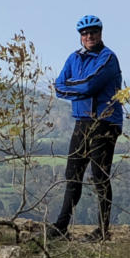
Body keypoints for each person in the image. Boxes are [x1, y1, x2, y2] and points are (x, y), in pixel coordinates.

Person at [47, 14, 123, 242]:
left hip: (105, 121)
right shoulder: (74, 58)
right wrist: (78, 88)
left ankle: (102, 231)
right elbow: (58, 87)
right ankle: (61, 227)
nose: (89, 36)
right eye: (85, 33)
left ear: (100, 33)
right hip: (82, 121)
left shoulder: (108, 58)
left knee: (99, 176)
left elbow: (90, 85)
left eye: (93, 32)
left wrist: (73, 87)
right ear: (80, 36)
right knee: (72, 175)